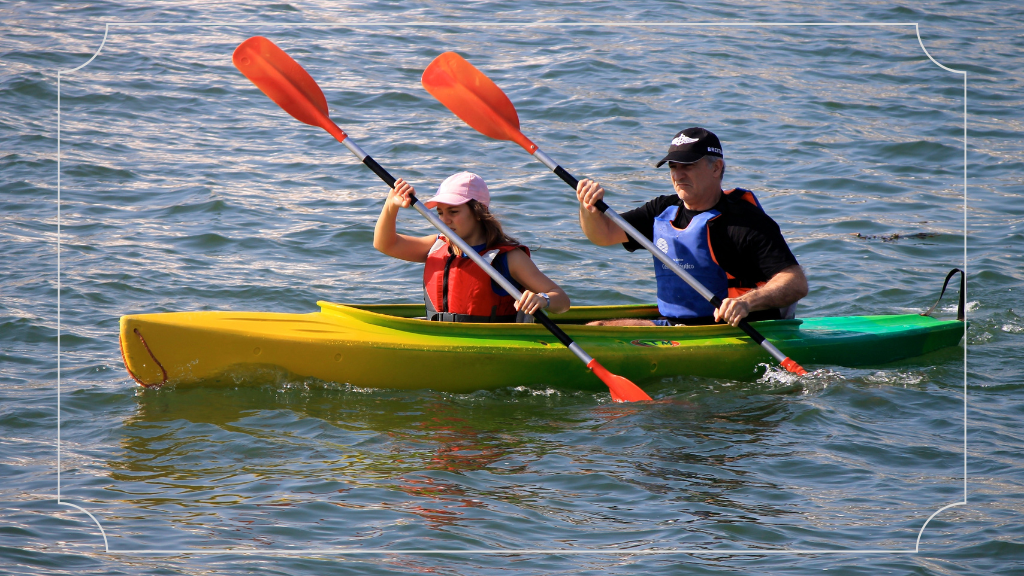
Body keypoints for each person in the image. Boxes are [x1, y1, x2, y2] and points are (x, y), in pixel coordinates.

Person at [575, 127, 808, 327]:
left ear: (716, 168)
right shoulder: (662, 210)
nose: (678, 174)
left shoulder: (746, 222)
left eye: (688, 165)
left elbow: (795, 282)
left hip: (734, 328)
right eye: (673, 167)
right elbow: (603, 235)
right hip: (677, 325)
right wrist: (587, 207)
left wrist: (746, 302)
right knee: (597, 326)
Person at [374, 171, 570, 322]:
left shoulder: (509, 258)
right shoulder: (435, 246)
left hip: (489, 345)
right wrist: (391, 205)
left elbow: (562, 301)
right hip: (441, 336)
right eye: (441, 213)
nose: (445, 220)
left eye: (453, 211)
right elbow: (385, 244)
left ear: (478, 212)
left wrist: (543, 299)